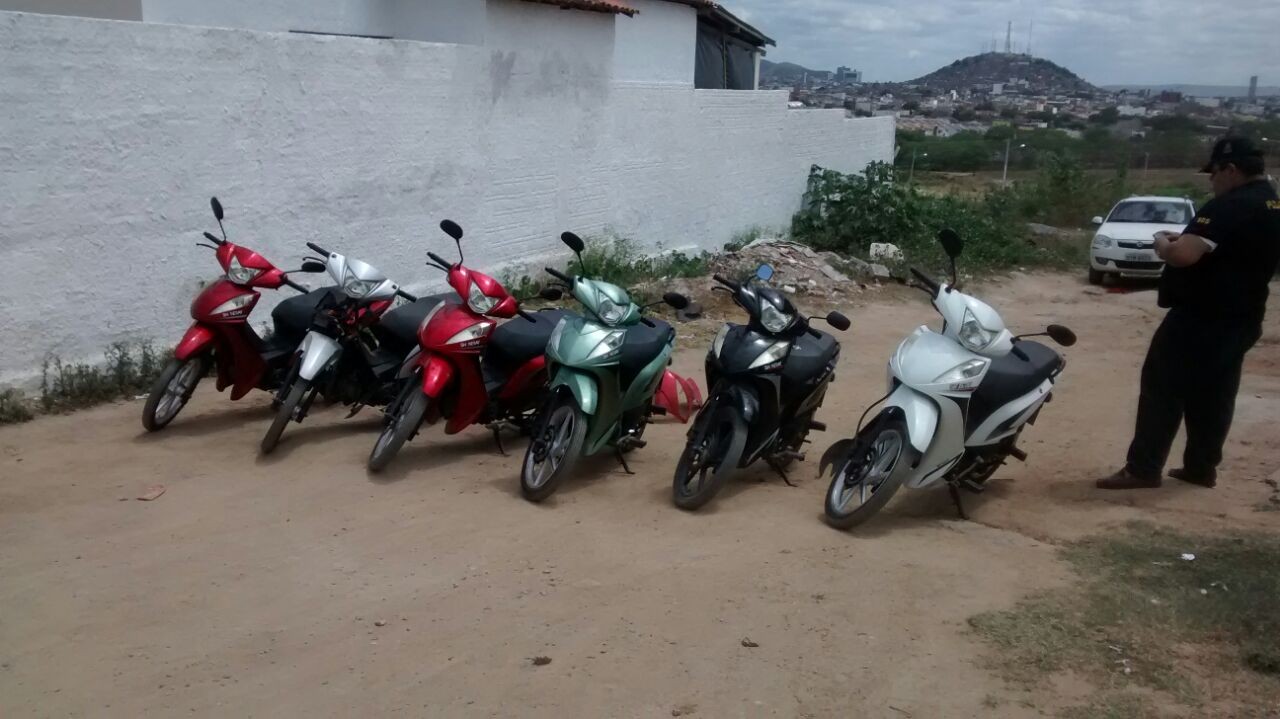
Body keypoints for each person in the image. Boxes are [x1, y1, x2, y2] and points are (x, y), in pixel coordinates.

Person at [1098, 137, 1280, 490]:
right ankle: (1201, 467)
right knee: (1215, 394)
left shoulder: (1230, 205)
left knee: (1162, 388)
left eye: (1215, 173)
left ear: (1231, 169)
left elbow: (1184, 255)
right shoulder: (1272, 203)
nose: (1212, 181)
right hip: (1244, 316)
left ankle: (1142, 468)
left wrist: (1164, 243)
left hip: (1202, 317)